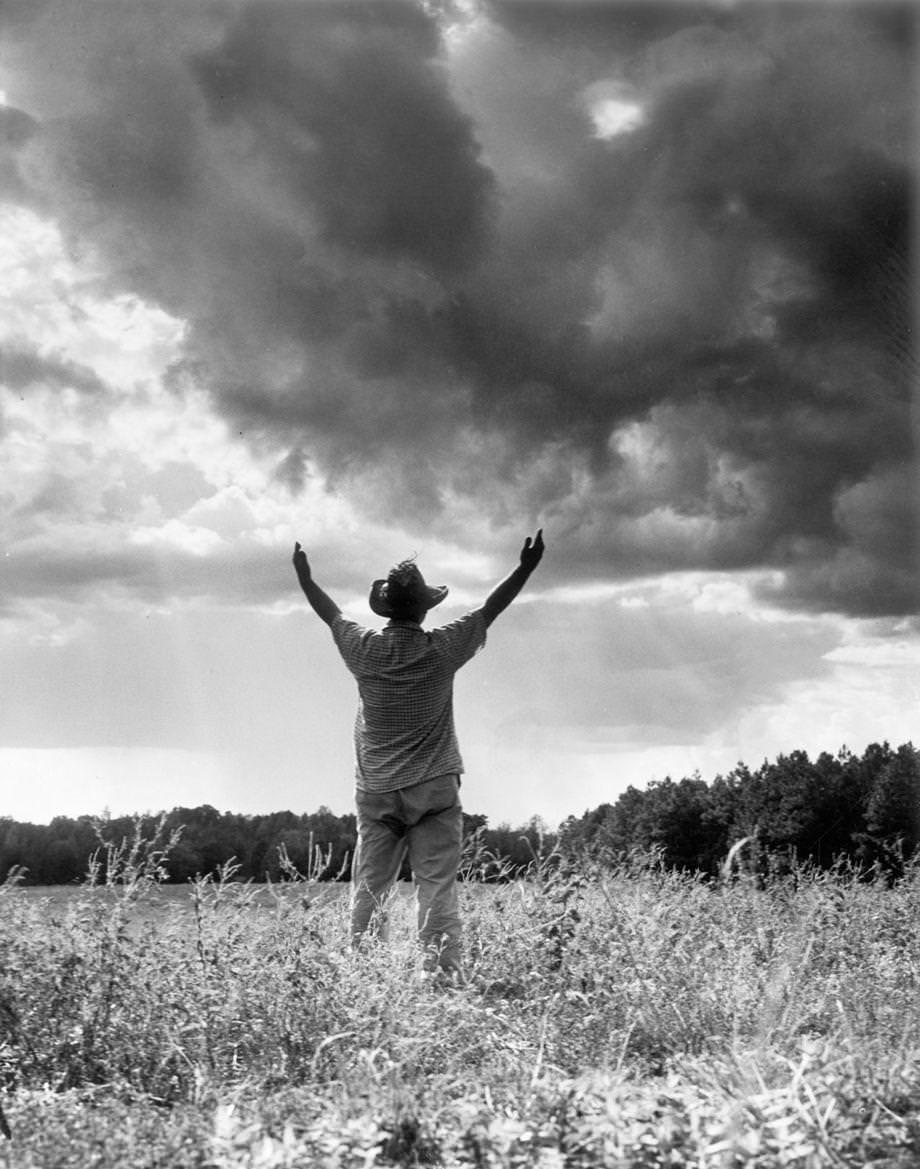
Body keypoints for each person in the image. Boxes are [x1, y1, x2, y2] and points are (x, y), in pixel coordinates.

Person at [292, 530, 545, 978]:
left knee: (370, 888)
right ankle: (442, 975)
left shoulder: (363, 648)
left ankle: (367, 975)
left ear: (386, 607)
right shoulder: (442, 648)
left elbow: (329, 614)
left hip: (376, 790)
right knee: (437, 887)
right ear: (425, 607)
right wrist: (525, 568)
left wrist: (305, 578)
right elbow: (491, 611)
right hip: (433, 788)